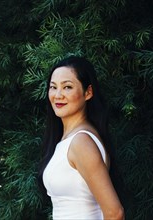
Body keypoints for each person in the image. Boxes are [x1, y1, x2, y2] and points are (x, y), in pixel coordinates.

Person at [39, 56, 124, 219]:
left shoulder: (81, 142)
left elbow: (115, 213)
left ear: (88, 92)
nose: (58, 95)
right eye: (53, 87)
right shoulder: (68, 139)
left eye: (67, 87)